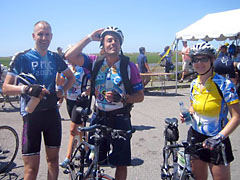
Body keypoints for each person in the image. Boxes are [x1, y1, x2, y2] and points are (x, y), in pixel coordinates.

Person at [64, 26, 144, 180]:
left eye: (116, 40)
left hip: (120, 117)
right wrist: (89, 38)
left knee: (121, 163)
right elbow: (70, 56)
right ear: (102, 44)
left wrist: (122, 98)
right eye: (109, 40)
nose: (113, 43)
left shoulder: (129, 66)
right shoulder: (95, 62)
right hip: (98, 116)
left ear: (120, 45)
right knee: (95, 160)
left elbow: (140, 96)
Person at [2, 21, 75, 180]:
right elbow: (6, 88)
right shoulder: (23, 57)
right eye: (40, 34)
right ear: (33, 36)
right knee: (31, 170)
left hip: (51, 115)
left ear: (51, 37)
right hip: (31, 116)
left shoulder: (55, 57)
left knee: (53, 161)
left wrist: (61, 92)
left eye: (47, 34)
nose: (44, 37)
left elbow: (71, 77)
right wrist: (26, 89)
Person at [180, 42, 240, 180]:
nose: (199, 63)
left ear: (212, 60)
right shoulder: (194, 84)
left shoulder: (225, 84)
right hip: (195, 137)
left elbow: (237, 117)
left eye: (204, 59)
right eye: (196, 59)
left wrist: (219, 138)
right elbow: (193, 106)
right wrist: (189, 113)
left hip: (217, 139)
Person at [59, 60, 90, 168]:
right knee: (80, 128)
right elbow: (61, 82)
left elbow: (95, 82)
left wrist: (86, 92)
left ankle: (68, 157)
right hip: (70, 101)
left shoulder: (84, 68)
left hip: (80, 101)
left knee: (73, 130)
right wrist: (58, 72)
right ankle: (87, 151)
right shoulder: (66, 67)